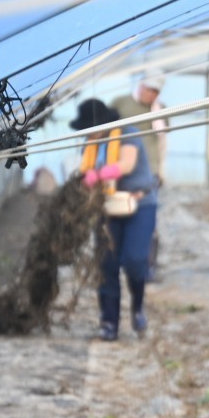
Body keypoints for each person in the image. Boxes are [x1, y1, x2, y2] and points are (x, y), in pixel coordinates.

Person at [72, 98, 158, 342]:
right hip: (108, 208)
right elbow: (83, 172)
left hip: (139, 204)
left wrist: (97, 175)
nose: (88, 133)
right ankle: (109, 322)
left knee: (134, 259)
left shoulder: (127, 132)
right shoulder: (90, 144)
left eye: (90, 127)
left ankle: (138, 307)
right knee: (107, 264)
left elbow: (126, 164)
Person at [111, 71, 167, 281]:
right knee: (117, 214)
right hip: (122, 170)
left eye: (155, 91)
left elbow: (164, 134)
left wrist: (157, 110)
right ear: (140, 85)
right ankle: (117, 262)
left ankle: (147, 267)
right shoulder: (121, 103)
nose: (150, 94)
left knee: (147, 220)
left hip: (149, 172)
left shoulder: (159, 109)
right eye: (148, 88)